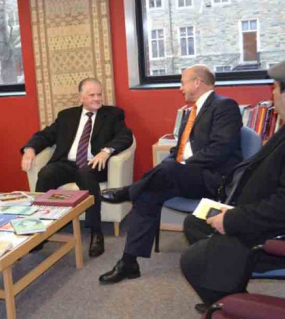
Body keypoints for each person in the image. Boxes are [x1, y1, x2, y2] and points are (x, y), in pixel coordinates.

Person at [99, 65, 243, 283]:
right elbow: (178, 151)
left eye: (183, 82)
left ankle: (128, 191)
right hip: (183, 175)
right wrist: (177, 163)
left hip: (211, 178)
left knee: (166, 169)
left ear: (197, 82)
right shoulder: (190, 112)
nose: (180, 87)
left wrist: (182, 164)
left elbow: (221, 150)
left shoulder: (225, 106)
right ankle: (128, 263)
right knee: (147, 193)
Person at [181, 60, 285, 314]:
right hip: (252, 212)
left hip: (268, 232)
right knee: (194, 222)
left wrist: (232, 219)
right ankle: (230, 291)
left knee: (194, 260)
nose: (271, 94)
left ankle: (229, 302)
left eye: (274, 88)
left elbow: (280, 206)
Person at [21, 78, 133, 257]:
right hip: (67, 163)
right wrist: (30, 149)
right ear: (80, 97)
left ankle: (96, 232)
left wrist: (106, 151)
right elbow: (45, 135)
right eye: (92, 95)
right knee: (46, 173)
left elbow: (125, 136)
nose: (97, 98)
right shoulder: (67, 115)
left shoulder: (113, 114)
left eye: (99, 94)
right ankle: (39, 229)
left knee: (86, 174)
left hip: (93, 164)